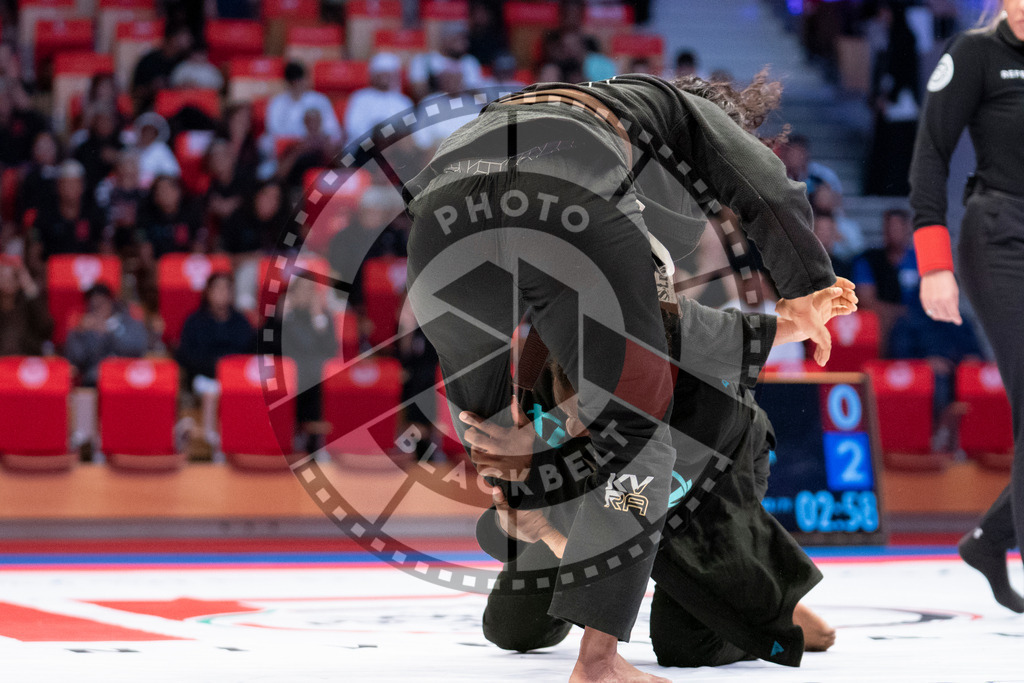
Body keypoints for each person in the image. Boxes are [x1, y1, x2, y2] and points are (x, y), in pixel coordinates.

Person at [404, 70, 840, 681]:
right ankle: (600, 662)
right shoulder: (676, 116)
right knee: (634, 434)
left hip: (442, 211)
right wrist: (809, 286)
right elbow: (766, 181)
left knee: (488, 427)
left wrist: (513, 467)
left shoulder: (572, 115)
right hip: (566, 209)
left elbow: (663, 323)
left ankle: (754, 594)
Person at [465, 280, 849, 667]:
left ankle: (757, 600)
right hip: (598, 468)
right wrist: (517, 519)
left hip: (714, 473)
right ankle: (740, 593)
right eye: (569, 418)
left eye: (592, 419)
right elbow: (518, 507)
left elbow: (625, 536)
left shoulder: (700, 407)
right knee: (512, 628)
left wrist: (549, 534)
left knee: (683, 646)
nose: (574, 424)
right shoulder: (542, 361)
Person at [908, 0, 1024, 613]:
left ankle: (991, 539)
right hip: (1000, 237)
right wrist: (933, 261)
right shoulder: (975, 54)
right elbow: (931, 152)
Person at [176, 272, 255, 386]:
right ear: (208, 292)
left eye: (227, 288)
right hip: (203, 377)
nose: (222, 292)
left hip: (237, 377)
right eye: (217, 288)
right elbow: (187, 355)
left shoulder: (241, 322)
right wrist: (215, 366)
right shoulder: (194, 322)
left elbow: (248, 353)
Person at [64, 283, 148, 386]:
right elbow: (76, 359)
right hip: (95, 380)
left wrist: (111, 332)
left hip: (126, 376)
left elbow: (139, 347)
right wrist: (79, 334)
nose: (97, 309)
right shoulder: (84, 327)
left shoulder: (127, 321)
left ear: (110, 302)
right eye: (93, 305)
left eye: (100, 304)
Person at [262, 62, 342, 160]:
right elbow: (273, 133)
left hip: (316, 149)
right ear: (287, 82)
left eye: (299, 80)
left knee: (336, 150)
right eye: (293, 82)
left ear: (305, 79)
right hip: (287, 151)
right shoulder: (277, 103)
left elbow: (333, 131)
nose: (297, 85)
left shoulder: (319, 100)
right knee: (266, 145)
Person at [344, 53, 413, 144]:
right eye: (381, 74)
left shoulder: (403, 101)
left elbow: (408, 129)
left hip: (394, 147)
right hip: (365, 147)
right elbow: (352, 128)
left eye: (388, 74)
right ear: (373, 75)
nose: (384, 78)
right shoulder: (360, 98)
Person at [0, 255, 53, 356]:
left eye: (13, 275)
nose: (7, 278)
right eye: (2, 275)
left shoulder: (28, 305)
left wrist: (28, 285)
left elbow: (46, 328)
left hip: (27, 359)